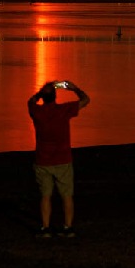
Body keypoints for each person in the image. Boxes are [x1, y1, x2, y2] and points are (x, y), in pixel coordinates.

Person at [28, 80, 90, 238]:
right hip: (63, 159)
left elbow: (31, 101)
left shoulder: (37, 112)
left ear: (43, 97)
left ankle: (46, 228)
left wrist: (41, 93)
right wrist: (73, 88)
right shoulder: (64, 110)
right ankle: (68, 227)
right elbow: (85, 100)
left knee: (45, 196)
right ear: (55, 96)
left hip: (43, 160)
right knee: (67, 195)